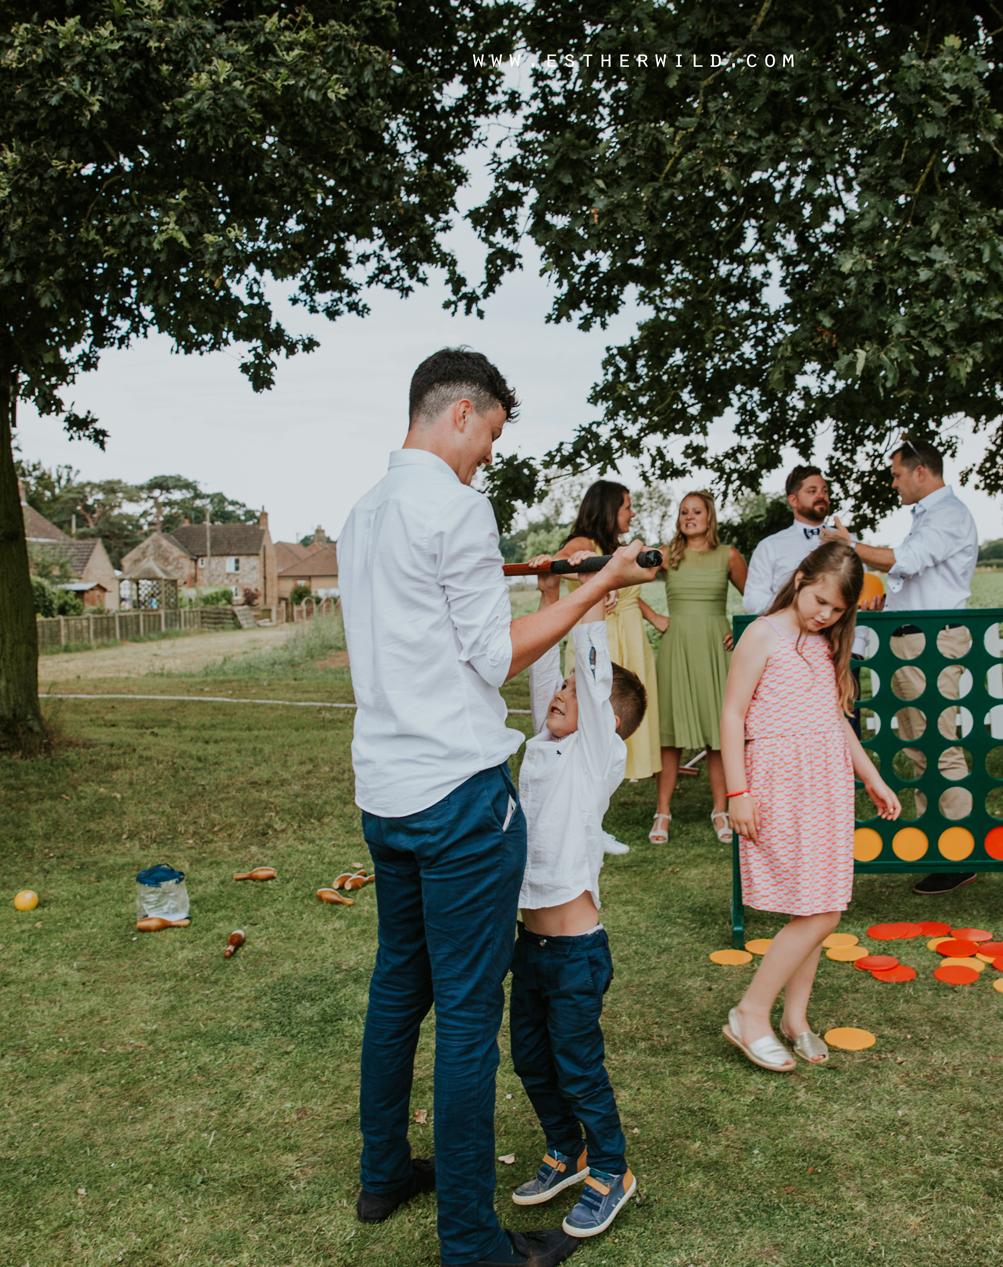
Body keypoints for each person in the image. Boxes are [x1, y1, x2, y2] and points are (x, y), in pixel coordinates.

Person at [340, 346, 656, 1267]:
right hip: (457, 798)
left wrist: (541, 575)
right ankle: (473, 1243)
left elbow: (430, 614)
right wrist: (600, 582)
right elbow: (492, 655)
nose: (488, 457)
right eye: (490, 437)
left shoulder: (365, 514)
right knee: (471, 1015)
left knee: (401, 979)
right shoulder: (456, 505)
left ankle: (382, 1169)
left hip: (385, 791)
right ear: (462, 412)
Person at [718, 541, 901, 1072]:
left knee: (816, 902)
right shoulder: (763, 634)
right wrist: (737, 792)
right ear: (800, 579)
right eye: (820, 600)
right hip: (779, 783)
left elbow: (833, 718)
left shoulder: (824, 645)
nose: (825, 614)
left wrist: (870, 776)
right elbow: (732, 716)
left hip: (826, 784)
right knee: (823, 911)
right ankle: (750, 1013)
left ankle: (795, 1018)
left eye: (837, 610)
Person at [506, 563, 649, 1238]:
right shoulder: (542, 747)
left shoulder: (599, 754)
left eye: (574, 688)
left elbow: (589, 679)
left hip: (574, 954)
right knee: (531, 1058)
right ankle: (568, 1148)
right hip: (529, 946)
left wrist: (594, 602)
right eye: (560, 687)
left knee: (578, 1065)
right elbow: (547, 676)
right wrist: (551, 596)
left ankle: (612, 1169)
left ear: (607, 721)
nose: (561, 694)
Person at [823, 434, 981, 897]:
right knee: (920, 749)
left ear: (919, 471)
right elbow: (909, 577)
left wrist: (849, 548)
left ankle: (958, 853)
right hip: (913, 643)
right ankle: (941, 846)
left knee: (939, 746)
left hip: (930, 644)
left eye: (895, 475)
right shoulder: (929, 516)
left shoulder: (948, 515)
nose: (893, 484)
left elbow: (907, 561)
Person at [637, 491, 748, 844]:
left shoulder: (728, 555)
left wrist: (741, 632)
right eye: (684, 511)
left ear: (709, 516)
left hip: (717, 648)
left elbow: (759, 598)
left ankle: (721, 810)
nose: (689, 516)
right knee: (669, 734)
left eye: (696, 511)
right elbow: (624, 582)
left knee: (718, 734)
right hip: (677, 646)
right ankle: (662, 812)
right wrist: (655, 617)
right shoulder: (667, 556)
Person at [557, 482, 662, 783]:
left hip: (631, 639)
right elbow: (558, 563)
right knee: (590, 712)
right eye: (627, 507)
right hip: (598, 640)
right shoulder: (583, 541)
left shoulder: (621, 549)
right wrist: (596, 580)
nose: (632, 513)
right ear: (609, 509)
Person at [740, 465, 836, 614]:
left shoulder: (848, 541)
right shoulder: (769, 546)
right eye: (812, 491)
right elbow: (752, 599)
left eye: (824, 490)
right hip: (787, 634)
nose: (821, 495)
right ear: (793, 500)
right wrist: (791, 602)